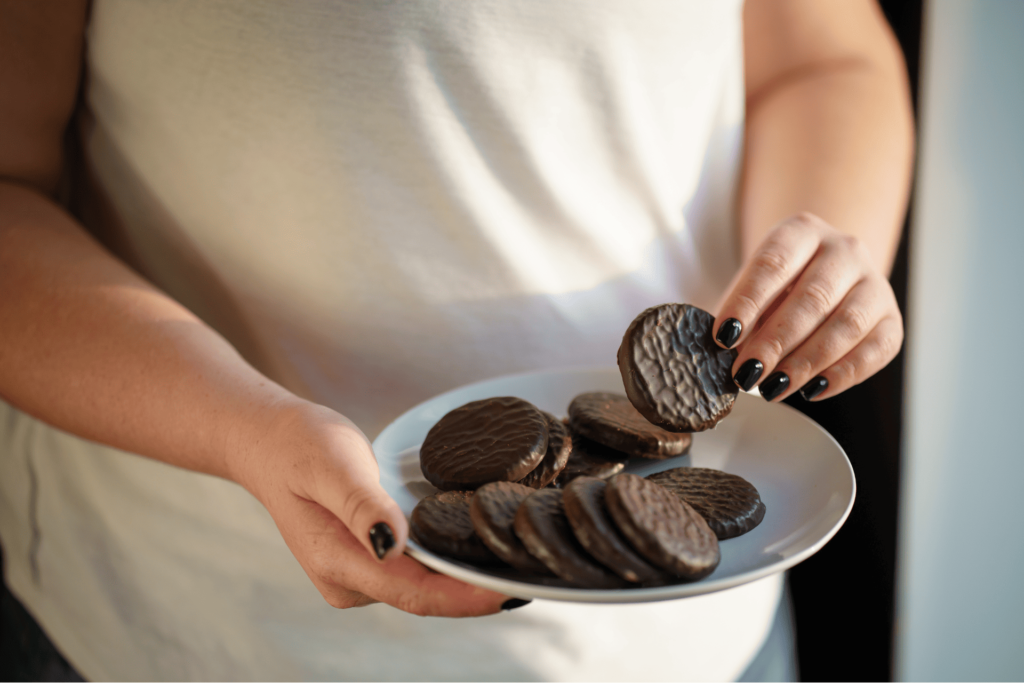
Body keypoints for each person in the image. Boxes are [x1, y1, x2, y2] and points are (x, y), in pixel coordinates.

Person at [0, 0, 913, 679]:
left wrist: (818, 270)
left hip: (694, 634)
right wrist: (243, 429)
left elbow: (822, 58)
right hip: (180, 623)